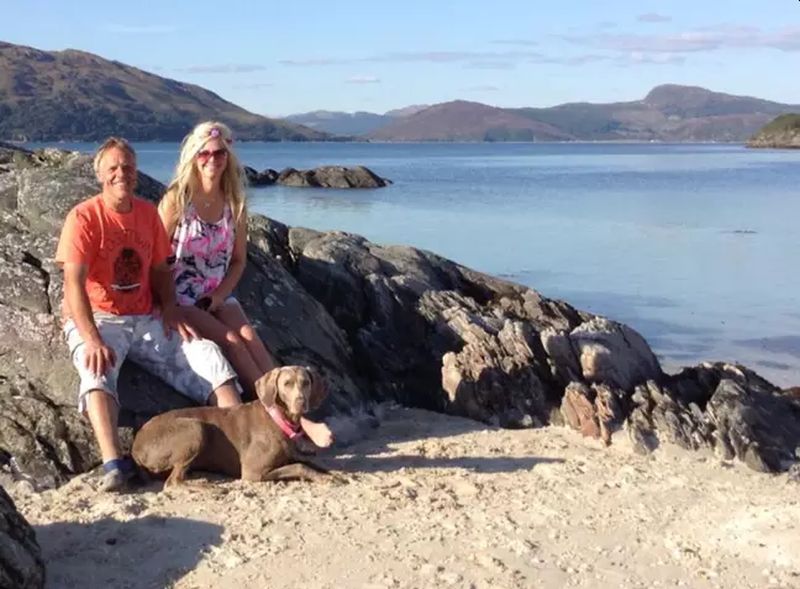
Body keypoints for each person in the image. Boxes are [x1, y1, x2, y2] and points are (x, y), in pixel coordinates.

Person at [56, 137, 242, 492]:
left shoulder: (146, 215)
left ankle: (238, 443)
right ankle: (114, 464)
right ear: (100, 175)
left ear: (136, 173)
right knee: (96, 371)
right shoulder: (83, 217)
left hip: (145, 315)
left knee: (206, 354)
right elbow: (73, 285)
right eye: (112, 168)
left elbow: (160, 270)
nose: (120, 173)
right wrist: (92, 338)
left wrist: (170, 307)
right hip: (100, 317)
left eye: (127, 166)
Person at [157, 121, 333, 449]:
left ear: (228, 155)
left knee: (250, 337)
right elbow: (155, 256)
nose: (213, 159)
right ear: (194, 157)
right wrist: (166, 304)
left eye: (220, 152)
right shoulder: (176, 200)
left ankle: (290, 412)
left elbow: (238, 261)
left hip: (216, 293)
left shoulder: (234, 203)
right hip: (180, 294)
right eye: (205, 153)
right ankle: (295, 422)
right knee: (232, 342)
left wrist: (219, 296)